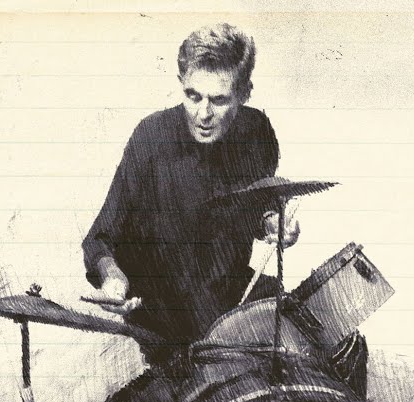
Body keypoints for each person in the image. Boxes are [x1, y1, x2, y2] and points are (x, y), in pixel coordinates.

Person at [81, 23, 300, 366]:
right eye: (193, 96)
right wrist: (113, 278)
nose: (203, 114)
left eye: (219, 99)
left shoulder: (257, 132)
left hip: (229, 296)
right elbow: (99, 239)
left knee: (314, 327)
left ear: (245, 93)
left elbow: (254, 206)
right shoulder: (151, 138)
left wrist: (273, 222)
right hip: (167, 316)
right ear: (181, 82)